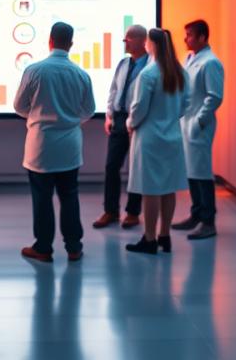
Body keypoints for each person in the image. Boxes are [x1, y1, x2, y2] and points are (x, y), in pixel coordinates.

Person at [13, 22, 96, 263]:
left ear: (49, 41)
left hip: (41, 145)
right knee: (70, 196)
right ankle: (73, 247)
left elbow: (19, 106)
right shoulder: (81, 74)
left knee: (42, 198)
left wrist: (38, 116)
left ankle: (43, 248)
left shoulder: (35, 70)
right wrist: (69, 121)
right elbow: (88, 110)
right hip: (70, 145)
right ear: (70, 44)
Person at [124, 28, 189, 255]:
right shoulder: (180, 72)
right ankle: (165, 235)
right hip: (172, 136)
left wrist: (130, 123)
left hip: (150, 138)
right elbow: (185, 105)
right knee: (168, 189)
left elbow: (139, 107)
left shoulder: (149, 74)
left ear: (152, 45)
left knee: (150, 190)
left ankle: (149, 239)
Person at [174, 19, 226, 240]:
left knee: (202, 173)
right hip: (187, 122)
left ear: (203, 37)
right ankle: (196, 215)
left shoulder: (211, 63)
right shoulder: (190, 58)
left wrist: (199, 121)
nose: (186, 39)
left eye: (190, 35)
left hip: (198, 125)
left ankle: (208, 221)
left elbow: (214, 96)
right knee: (192, 171)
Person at [94, 24, 148, 230]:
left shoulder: (150, 66)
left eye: (129, 38)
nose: (125, 42)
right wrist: (109, 115)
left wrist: (134, 120)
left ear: (142, 41)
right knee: (111, 166)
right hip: (118, 118)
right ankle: (111, 211)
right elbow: (114, 90)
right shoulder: (123, 63)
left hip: (139, 121)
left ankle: (133, 213)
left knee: (136, 168)